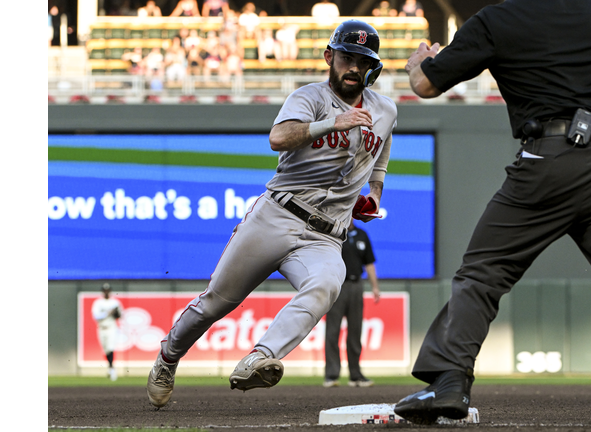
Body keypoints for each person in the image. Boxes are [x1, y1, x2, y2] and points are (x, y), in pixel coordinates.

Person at [392, 0, 591, 428]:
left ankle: (448, 381)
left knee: (482, 273)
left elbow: (425, 86)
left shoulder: (497, 18)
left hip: (546, 160)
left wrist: (420, 61)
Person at [146, 19, 397, 409]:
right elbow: (278, 138)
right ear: (330, 56)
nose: (354, 68)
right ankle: (168, 358)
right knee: (216, 302)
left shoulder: (385, 110)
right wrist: (334, 121)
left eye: (363, 61)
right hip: (276, 216)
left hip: (326, 236)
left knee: (328, 284)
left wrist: (375, 193)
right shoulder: (309, 97)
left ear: (372, 66)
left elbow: (380, 155)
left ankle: (261, 357)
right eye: (347, 57)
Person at [323, 220, 381, 388]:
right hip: (337, 286)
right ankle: (331, 375)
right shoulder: (333, 234)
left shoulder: (362, 235)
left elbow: (369, 263)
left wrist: (375, 287)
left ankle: (355, 375)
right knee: (333, 332)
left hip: (356, 286)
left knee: (355, 331)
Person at [92, 283, 123, 382]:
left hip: (111, 327)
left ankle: (111, 368)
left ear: (110, 291)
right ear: (102, 291)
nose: (106, 292)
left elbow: (120, 315)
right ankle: (110, 367)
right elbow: (96, 316)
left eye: (108, 290)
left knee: (110, 348)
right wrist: (108, 312)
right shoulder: (98, 302)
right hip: (101, 328)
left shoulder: (115, 302)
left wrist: (115, 313)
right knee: (105, 350)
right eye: (104, 290)